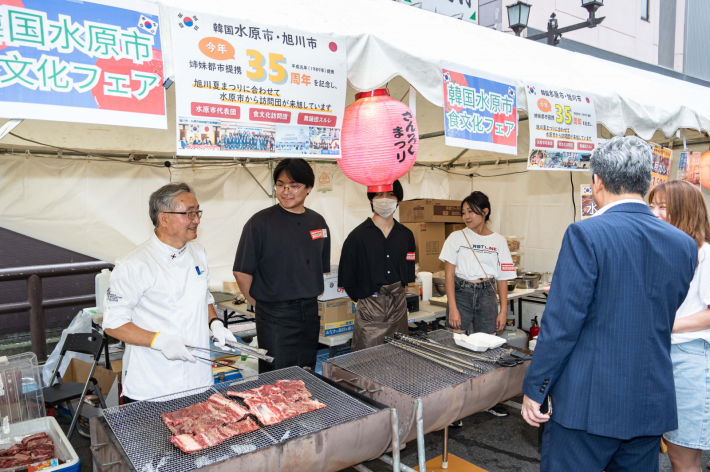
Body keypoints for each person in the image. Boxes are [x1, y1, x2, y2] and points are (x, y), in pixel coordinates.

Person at [521, 136, 697, 472]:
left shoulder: (586, 234)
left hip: (587, 404)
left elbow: (561, 325)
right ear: (646, 183)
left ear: (597, 182)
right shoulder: (684, 245)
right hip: (649, 398)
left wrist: (536, 387)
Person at [102, 183, 237, 402]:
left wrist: (215, 324)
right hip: (154, 386)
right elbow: (113, 324)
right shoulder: (134, 264)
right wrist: (160, 341)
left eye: (197, 212)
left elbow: (204, 298)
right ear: (164, 219)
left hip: (200, 380)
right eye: (189, 213)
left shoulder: (198, 253)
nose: (197, 219)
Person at [233, 159, 330, 373]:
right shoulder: (260, 223)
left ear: (308, 189)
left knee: (306, 369)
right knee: (276, 376)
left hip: (309, 311)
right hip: (274, 313)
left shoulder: (318, 223)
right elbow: (241, 271)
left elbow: (320, 268)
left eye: (294, 186)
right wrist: (263, 306)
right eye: (280, 185)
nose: (286, 191)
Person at [439, 191, 517, 420]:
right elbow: (449, 276)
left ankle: (488, 400)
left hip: (486, 294)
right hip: (461, 292)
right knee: (456, 347)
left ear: (485, 212)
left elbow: (503, 278)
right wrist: (452, 307)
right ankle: (454, 409)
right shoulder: (456, 238)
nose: (466, 216)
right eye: (463, 212)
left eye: (471, 211)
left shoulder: (499, 241)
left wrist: (503, 309)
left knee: (489, 350)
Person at [649, 181, 710, 472]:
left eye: (663, 207)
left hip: (689, 358)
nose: (655, 213)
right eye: (652, 205)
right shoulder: (660, 249)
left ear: (685, 211)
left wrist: (663, 323)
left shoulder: (706, 254)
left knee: (683, 458)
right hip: (659, 354)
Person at [338, 180, 416, 351]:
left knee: (399, 355)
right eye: (379, 194)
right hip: (369, 306)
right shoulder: (357, 237)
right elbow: (347, 276)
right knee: (367, 358)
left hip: (398, 306)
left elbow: (409, 269)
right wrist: (365, 297)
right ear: (371, 199)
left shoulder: (407, 235)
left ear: (398, 200)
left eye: (390, 194)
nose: (385, 199)